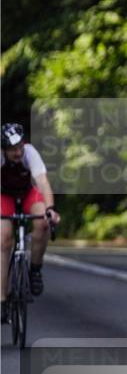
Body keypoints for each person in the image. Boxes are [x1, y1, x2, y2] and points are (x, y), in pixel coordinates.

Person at [1, 123, 61, 321]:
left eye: (19, 148)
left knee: (42, 222)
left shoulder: (29, 153)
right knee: (4, 239)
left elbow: (42, 182)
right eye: (12, 150)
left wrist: (50, 210)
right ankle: (1, 299)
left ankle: (35, 269)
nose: (17, 153)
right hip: (4, 196)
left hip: (27, 193)